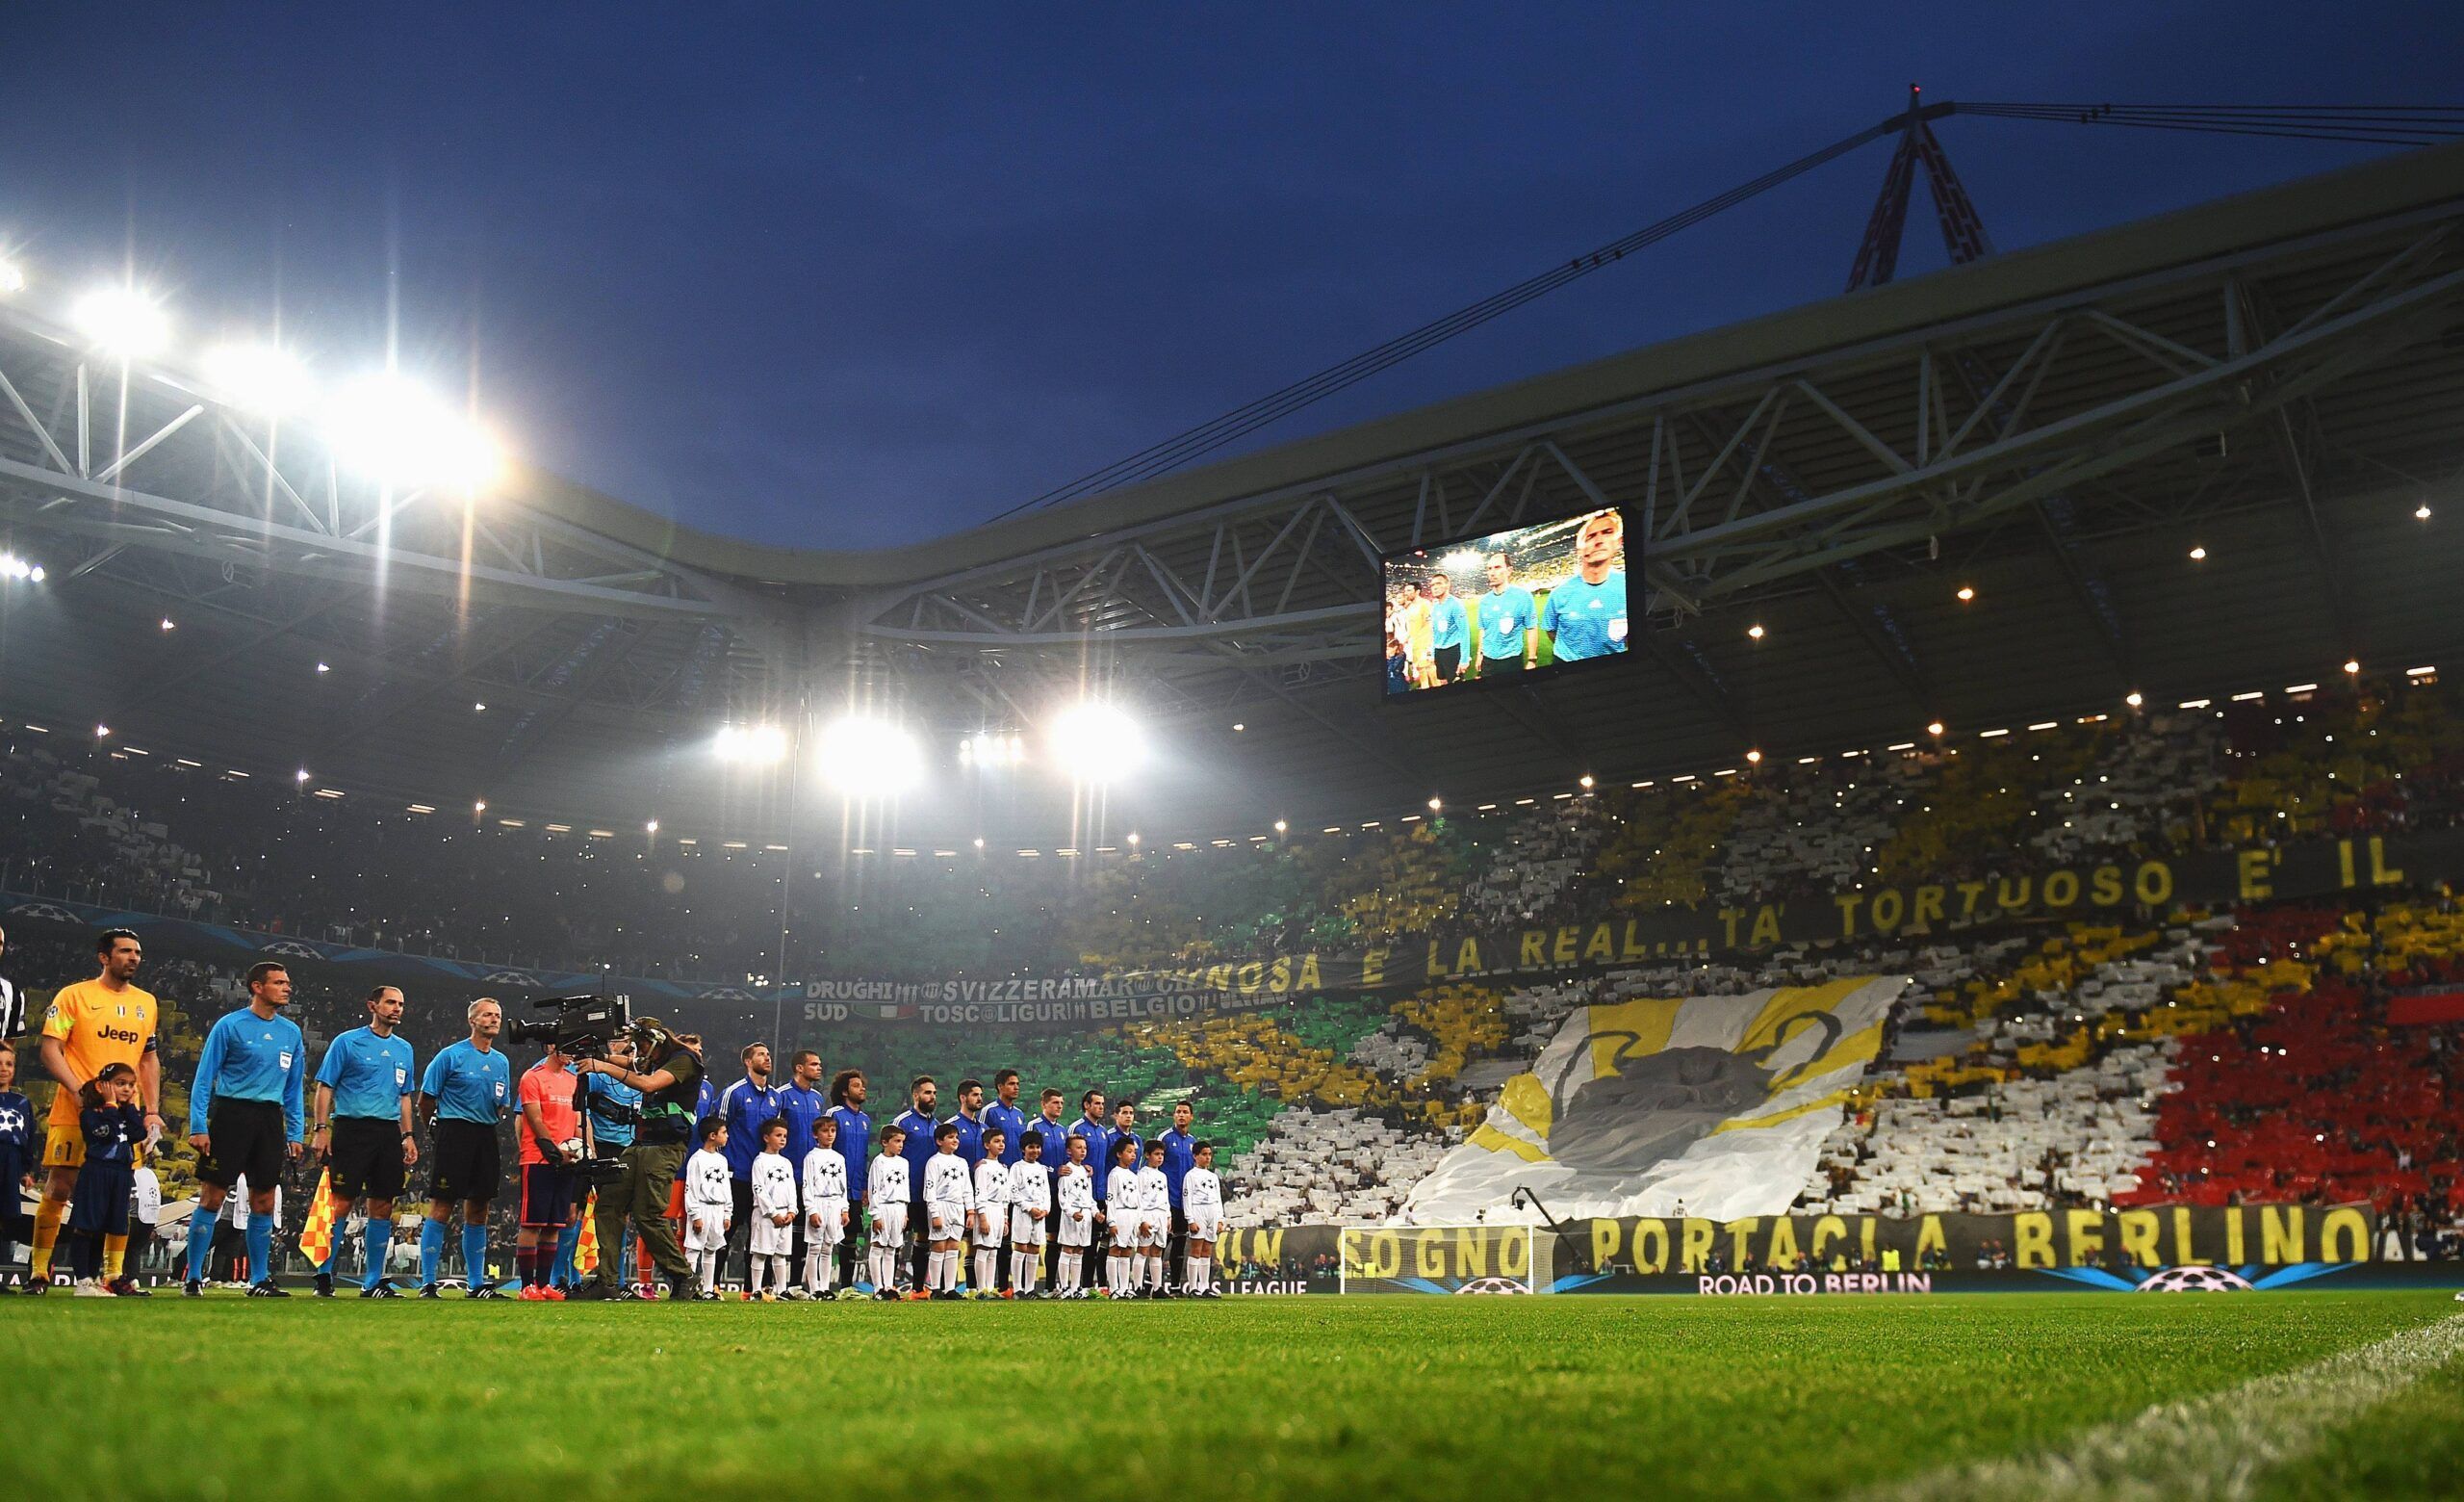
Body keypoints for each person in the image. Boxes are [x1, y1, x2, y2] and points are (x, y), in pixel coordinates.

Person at [31, 929, 163, 1293]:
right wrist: (78, 1091)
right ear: (104, 957)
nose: (133, 958)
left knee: (120, 1191)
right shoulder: (75, 996)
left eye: (137, 952)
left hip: (125, 1116)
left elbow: (149, 1060)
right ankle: (39, 1271)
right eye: (124, 952)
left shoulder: (146, 1003)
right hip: (76, 1111)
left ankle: (112, 1276)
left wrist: (151, 1110)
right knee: (60, 1186)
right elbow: (50, 1049)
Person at [183, 961, 307, 1299]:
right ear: (257, 986)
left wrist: (296, 1133)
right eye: (279, 982)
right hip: (231, 1115)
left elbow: (294, 1088)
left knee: (264, 1200)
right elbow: (205, 1077)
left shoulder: (291, 1033)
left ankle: (259, 1280)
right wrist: (198, 1125)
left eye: (287, 982)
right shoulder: (230, 1025)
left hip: (269, 1119)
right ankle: (193, 1277)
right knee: (213, 1196)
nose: (287, 988)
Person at [573, 1024, 706, 1302]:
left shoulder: (684, 1059)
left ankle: (683, 1275)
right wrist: (603, 1058)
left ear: (655, 1040)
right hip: (641, 1144)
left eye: (641, 1045)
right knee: (609, 1202)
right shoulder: (658, 1058)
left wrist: (603, 1067)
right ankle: (607, 1281)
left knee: (648, 1215)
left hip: (666, 1146)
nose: (638, 1052)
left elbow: (648, 1084)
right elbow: (631, 1063)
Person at [308, 985, 418, 1298]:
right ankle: (324, 1275)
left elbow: (405, 1096)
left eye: (401, 1004)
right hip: (351, 1129)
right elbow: (325, 1086)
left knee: (383, 1204)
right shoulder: (348, 1041)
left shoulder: (404, 1049)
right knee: (342, 1201)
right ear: (372, 1005)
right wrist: (320, 1128)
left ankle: (372, 1281)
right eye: (391, 1003)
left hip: (387, 1133)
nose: (397, 1008)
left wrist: (407, 1136)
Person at [414, 998, 512, 1300]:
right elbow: (426, 1099)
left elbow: (501, 1105)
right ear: (472, 1020)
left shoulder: (501, 1061)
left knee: (480, 1207)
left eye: (497, 1015)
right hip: (453, 1132)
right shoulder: (450, 1055)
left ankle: (475, 1284)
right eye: (487, 1014)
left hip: (485, 1135)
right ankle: (428, 1282)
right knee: (443, 1204)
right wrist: (436, 1129)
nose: (494, 1019)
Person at [574, 1034, 642, 1300]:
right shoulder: (597, 1075)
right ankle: (569, 1278)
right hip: (596, 1147)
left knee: (621, 1215)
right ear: (610, 1045)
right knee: (578, 1212)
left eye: (630, 1041)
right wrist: (587, 1146)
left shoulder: (639, 1079)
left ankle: (617, 1281)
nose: (626, 1046)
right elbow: (580, 1108)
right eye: (619, 1040)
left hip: (626, 1149)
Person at [67, 1063, 144, 1296]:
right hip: (97, 1172)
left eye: (131, 1085)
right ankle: (83, 1280)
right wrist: (111, 1106)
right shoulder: (91, 1114)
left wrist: (130, 1107)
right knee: (87, 1226)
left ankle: (94, 1278)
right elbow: (105, 1134)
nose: (126, 1089)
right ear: (102, 1086)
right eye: (120, 1084)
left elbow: (138, 1134)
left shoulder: (124, 1113)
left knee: (103, 1228)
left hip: (121, 1174)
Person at [514, 1041, 582, 1300]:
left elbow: (576, 1122)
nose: (571, 1053)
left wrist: (579, 1149)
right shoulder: (533, 1077)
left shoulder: (572, 1080)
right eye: (567, 1046)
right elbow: (534, 1119)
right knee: (532, 1223)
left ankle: (543, 1285)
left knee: (554, 1225)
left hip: (567, 1161)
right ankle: (526, 1286)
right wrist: (555, 1152)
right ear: (550, 1047)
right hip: (538, 1159)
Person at [717, 1043, 781, 1293]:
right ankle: (713, 1285)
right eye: (761, 1055)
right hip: (738, 1173)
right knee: (728, 1231)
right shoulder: (734, 1092)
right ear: (747, 1061)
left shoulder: (776, 1096)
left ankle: (753, 1288)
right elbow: (717, 1130)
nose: (767, 1058)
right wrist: (725, 1165)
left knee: (760, 1234)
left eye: (768, 1054)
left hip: (765, 1178)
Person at [1539, 508, 1628, 660]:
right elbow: (1551, 631)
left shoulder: (1627, 586)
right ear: (1580, 550)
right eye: (1591, 536)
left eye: (1607, 532)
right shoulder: (1560, 593)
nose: (1599, 541)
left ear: (1619, 542)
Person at [774, 1049, 827, 1284]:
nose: (819, 1068)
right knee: (785, 1232)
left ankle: (799, 1283)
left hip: (813, 1176)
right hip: (787, 1174)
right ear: (799, 1068)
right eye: (814, 1064)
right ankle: (772, 1283)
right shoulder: (781, 1096)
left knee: (808, 1233)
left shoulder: (817, 1098)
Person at [827, 1069, 871, 1290]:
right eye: (856, 1085)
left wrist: (863, 1186)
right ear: (844, 1091)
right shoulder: (834, 1114)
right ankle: (817, 1286)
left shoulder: (865, 1120)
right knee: (823, 1238)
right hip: (832, 1189)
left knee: (851, 1236)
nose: (862, 1088)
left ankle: (846, 1286)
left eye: (862, 1085)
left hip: (853, 1189)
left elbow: (863, 1156)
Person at [894, 1076, 938, 1288]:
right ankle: (888, 1286)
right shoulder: (904, 1122)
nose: (932, 1097)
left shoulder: (938, 1126)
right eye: (928, 1092)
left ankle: (919, 1288)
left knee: (924, 1236)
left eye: (934, 1093)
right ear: (916, 1095)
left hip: (926, 1192)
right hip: (904, 1191)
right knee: (896, 1237)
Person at [800, 1114, 850, 1298]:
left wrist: (845, 1209)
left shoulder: (839, 1158)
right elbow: (807, 1185)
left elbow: (843, 1186)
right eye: (825, 1131)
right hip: (818, 1201)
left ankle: (825, 1286)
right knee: (814, 1248)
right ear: (815, 1134)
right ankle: (814, 1289)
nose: (830, 1135)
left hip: (835, 1203)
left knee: (828, 1247)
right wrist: (811, 1210)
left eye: (833, 1131)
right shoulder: (811, 1157)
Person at [747, 1118, 797, 1301]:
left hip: (785, 1214)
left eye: (785, 1136)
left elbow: (792, 1188)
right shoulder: (760, 1161)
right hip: (765, 1215)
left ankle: (782, 1290)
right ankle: (756, 1290)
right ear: (766, 1137)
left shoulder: (786, 1163)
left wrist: (792, 1210)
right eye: (778, 1135)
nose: (782, 1139)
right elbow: (758, 1189)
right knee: (761, 1251)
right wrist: (772, 1212)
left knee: (781, 1254)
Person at [682, 1117, 732, 1300]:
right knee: (694, 1249)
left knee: (712, 1249)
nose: (727, 1136)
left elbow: (726, 1187)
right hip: (702, 1207)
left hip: (718, 1209)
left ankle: (709, 1289)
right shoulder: (697, 1159)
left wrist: (727, 1212)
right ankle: (689, 1288)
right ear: (712, 1136)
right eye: (724, 1132)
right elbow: (691, 1188)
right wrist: (695, 1215)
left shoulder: (721, 1160)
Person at [921, 1121, 972, 1299]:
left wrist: (970, 1211)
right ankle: (935, 1288)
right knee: (939, 1246)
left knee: (953, 1246)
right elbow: (930, 1190)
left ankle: (949, 1288)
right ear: (939, 1141)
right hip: (941, 1205)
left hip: (958, 1207)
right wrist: (934, 1214)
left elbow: (967, 1188)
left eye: (956, 1137)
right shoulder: (934, 1162)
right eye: (950, 1137)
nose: (955, 1140)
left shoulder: (962, 1162)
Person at [0, 1047, 35, 1277]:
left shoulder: (21, 1103)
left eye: (8, 1064)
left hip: (10, 1163)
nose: (3, 1069)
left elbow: (28, 1137)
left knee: (3, 1220)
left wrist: (25, 1170)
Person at [865, 1123, 911, 1299]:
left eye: (902, 1142)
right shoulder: (879, 1162)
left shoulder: (904, 1162)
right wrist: (875, 1214)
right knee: (878, 1247)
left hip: (899, 1207)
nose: (900, 1145)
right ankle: (878, 1288)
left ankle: (889, 1286)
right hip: (883, 1206)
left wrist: (905, 1211)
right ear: (885, 1142)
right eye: (896, 1141)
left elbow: (905, 1188)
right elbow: (874, 1189)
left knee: (892, 1248)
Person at [1476, 552, 1536, 676]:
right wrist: (1480, 654)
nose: (1492, 573)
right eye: (1489, 569)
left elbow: (1532, 628)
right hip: (1488, 660)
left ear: (1509, 571)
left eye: (1497, 567)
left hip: (1511, 660)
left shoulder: (1523, 596)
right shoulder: (1484, 601)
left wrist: (1532, 659)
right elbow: (1483, 630)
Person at [1006, 1127, 1049, 1298]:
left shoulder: (1042, 1169)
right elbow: (1013, 1192)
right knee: (1021, 1247)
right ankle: (1017, 1289)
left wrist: (1045, 1210)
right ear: (1023, 1149)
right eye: (1031, 1147)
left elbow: (1047, 1193)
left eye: (1038, 1147)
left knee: (1034, 1248)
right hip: (1023, 1213)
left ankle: (1030, 1289)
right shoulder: (1017, 1167)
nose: (1035, 1151)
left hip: (1039, 1215)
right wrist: (1029, 1208)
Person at [1159, 1100, 1198, 1291]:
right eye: (1178, 1112)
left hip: (1185, 1201)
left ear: (1191, 1117)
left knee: (1180, 1244)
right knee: (1161, 1243)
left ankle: (1175, 1286)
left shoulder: (1193, 1142)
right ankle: (1152, 1285)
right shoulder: (1165, 1138)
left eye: (1185, 1112)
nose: (1181, 1115)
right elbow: (1152, 1165)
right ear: (1174, 1116)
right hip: (1167, 1200)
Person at [1053, 1132, 1096, 1299]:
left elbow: (1089, 1196)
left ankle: (1075, 1287)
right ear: (1069, 1151)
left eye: (1084, 1148)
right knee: (1068, 1249)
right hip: (1072, 1215)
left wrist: (1095, 1212)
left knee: (1079, 1251)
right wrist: (1071, 1213)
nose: (1083, 1151)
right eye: (1078, 1147)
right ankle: (1064, 1287)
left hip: (1085, 1214)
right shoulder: (1066, 1172)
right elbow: (1062, 1198)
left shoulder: (1086, 1172)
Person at [970, 1126, 1011, 1298]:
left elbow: (1005, 1195)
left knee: (993, 1250)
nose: (1001, 1145)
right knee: (983, 1248)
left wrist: (1006, 1218)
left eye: (1002, 1141)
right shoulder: (983, 1167)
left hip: (999, 1211)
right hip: (986, 1208)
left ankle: (990, 1288)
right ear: (987, 1145)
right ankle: (981, 1289)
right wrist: (983, 1218)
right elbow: (979, 1193)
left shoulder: (1003, 1167)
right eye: (996, 1141)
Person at [1183, 1141, 1224, 1298]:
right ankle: (1193, 1288)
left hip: (1212, 1212)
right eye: (1204, 1154)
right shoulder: (1191, 1176)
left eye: (1209, 1154)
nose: (1207, 1158)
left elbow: (1218, 1198)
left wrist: (1220, 1218)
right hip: (1198, 1210)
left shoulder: (1213, 1177)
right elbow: (1187, 1198)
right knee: (1196, 1249)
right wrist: (1190, 1219)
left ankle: (1204, 1286)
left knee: (1207, 1251)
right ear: (1195, 1156)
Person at [1069, 1090, 1113, 1237]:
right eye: (1097, 1104)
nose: (1101, 1107)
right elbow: (1068, 1158)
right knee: (1078, 1239)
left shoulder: (1103, 1132)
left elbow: (1106, 1160)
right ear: (1087, 1105)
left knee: (1097, 1237)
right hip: (1081, 1193)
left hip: (1099, 1191)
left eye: (1102, 1104)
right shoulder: (1077, 1128)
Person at [1104, 1137, 1143, 1297]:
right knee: (1115, 1249)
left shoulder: (1134, 1176)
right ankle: (1113, 1289)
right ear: (1119, 1154)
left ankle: (1124, 1288)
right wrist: (1111, 1221)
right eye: (1129, 1151)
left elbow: (1139, 1200)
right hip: (1119, 1213)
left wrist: (1139, 1220)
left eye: (1134, 1152)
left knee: (1127, 1251)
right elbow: (1110, 1199)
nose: (1133, 1155)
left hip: (1132, 1215)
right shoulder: (1114, 1174)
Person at [1136, 1138, 1172, 1296]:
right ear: (1147, 1155)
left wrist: (1168, 1216)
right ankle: (1137, 1287)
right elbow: (1138, 1199)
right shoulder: (1141, 1175)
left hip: (1161, 1215)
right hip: (1148, 1214)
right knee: (1143, 1250)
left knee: (1157, 1251)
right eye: (1156, 1154)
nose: (1160, 1157)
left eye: (1162, 1154)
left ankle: (1157, 1288)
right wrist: (1141, 1220)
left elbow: (1165, 1197)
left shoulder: (1163, 1176)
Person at [1425, 570, 1469, 685]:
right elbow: (1435, 633)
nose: (1434, 587)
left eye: (1438, 584)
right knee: (1442, 682)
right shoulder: (1435, 607)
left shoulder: (1456, 605)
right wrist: (1434, 653)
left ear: (1447, 585)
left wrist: (1464, 659)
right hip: (1439, 651)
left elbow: (1464, 633)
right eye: (1432, 585)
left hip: (1452, 650)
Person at [127, 1155, 161, 1288]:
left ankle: (117, 1278)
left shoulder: (131, 1172)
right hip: (149, 1218)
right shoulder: (150, 1174)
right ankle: (133, 1279)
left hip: (133, 1215)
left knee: (120, 1249)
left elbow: (130, 1195)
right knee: (134, 1250)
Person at [984, 1070, 1027, 1167]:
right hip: (997, 1169)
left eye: (1017, 1084)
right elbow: (982, 1141)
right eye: (1011, 1084)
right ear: (1000, 1087)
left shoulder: (1019, 1114)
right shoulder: (990, 1111)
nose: (1016, 1088)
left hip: (1017, 1169)